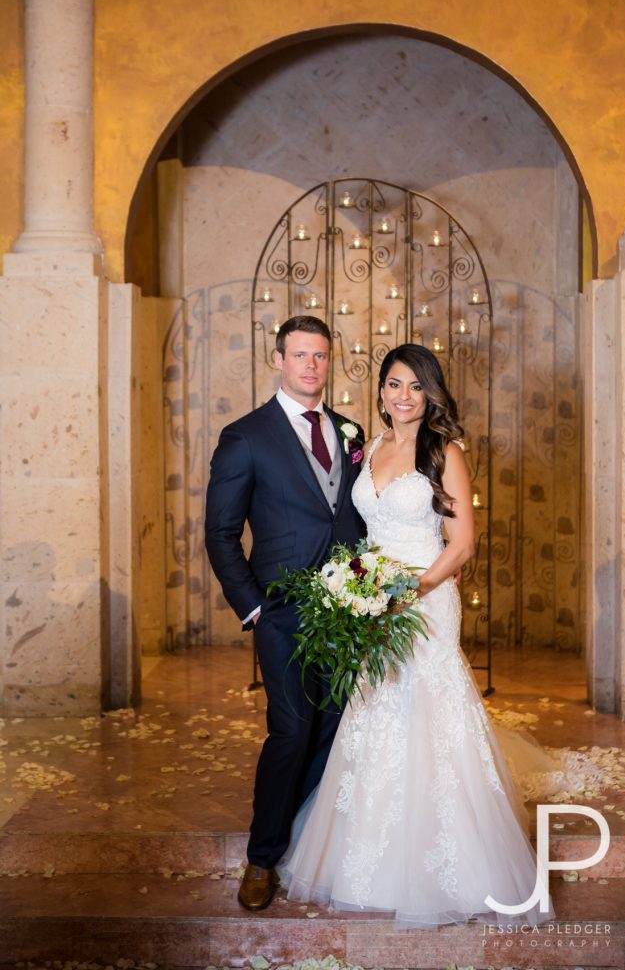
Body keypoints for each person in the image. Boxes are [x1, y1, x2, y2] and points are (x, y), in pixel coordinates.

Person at [278, 342, 556, 929]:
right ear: (380, 391)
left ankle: (452, 863)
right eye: (393, 384)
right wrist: (355, 590)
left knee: (429, 711)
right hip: (369, 602)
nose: (403, 396)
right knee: (375, 710)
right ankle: (369, 860)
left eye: (415, 386)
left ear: (430, 395)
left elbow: (462, 545)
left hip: (424, 602)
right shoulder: (368, 446)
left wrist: (404, 593)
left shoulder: (443, 452)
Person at [205, 314, 366, 912]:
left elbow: (354, 516)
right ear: (278, 360)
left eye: (320, 356)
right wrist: (252, 608)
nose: (311, 366)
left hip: (350, 612)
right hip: (282, 613)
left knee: (334, 729)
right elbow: (220, 533)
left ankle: (305, 840)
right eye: (300, 355)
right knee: (292, 729)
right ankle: (262, 858)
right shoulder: (245, 437)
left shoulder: (351, 430)